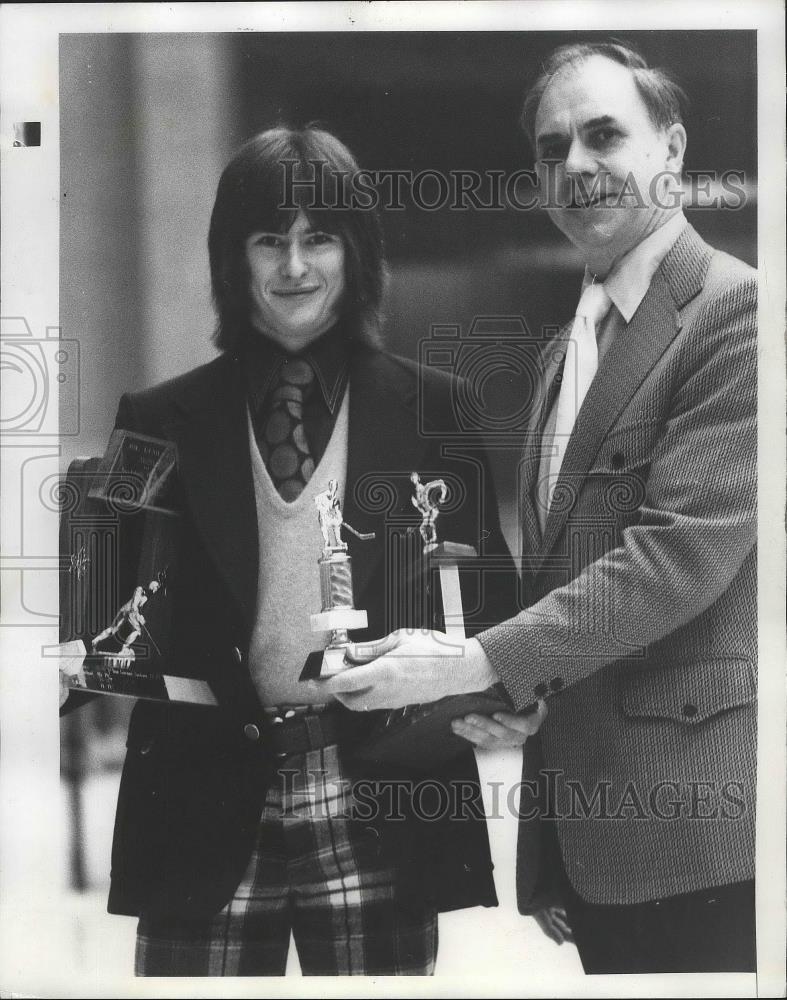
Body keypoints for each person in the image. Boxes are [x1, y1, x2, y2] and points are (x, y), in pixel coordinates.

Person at [60, 125, 540, 976]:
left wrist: (509, 691)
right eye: (268, 240)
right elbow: (99, 622)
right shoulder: (155, 419)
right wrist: (87, 657)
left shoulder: (440, 410)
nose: (294, 266)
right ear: (230, 257)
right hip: (201, 796)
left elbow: (494, 598)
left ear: (357, 255)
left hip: (382, 794)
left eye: (320, 237)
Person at [326, 42, 757, 975]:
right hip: (594, 838)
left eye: (604, 135)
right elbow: (563, 571)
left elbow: (680, 557)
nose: (573, 165)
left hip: (702, 841)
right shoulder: (573, 342)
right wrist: (514, 695)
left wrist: (476, 659)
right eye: (550, 147)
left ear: (672, 149)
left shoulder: (738, 313)